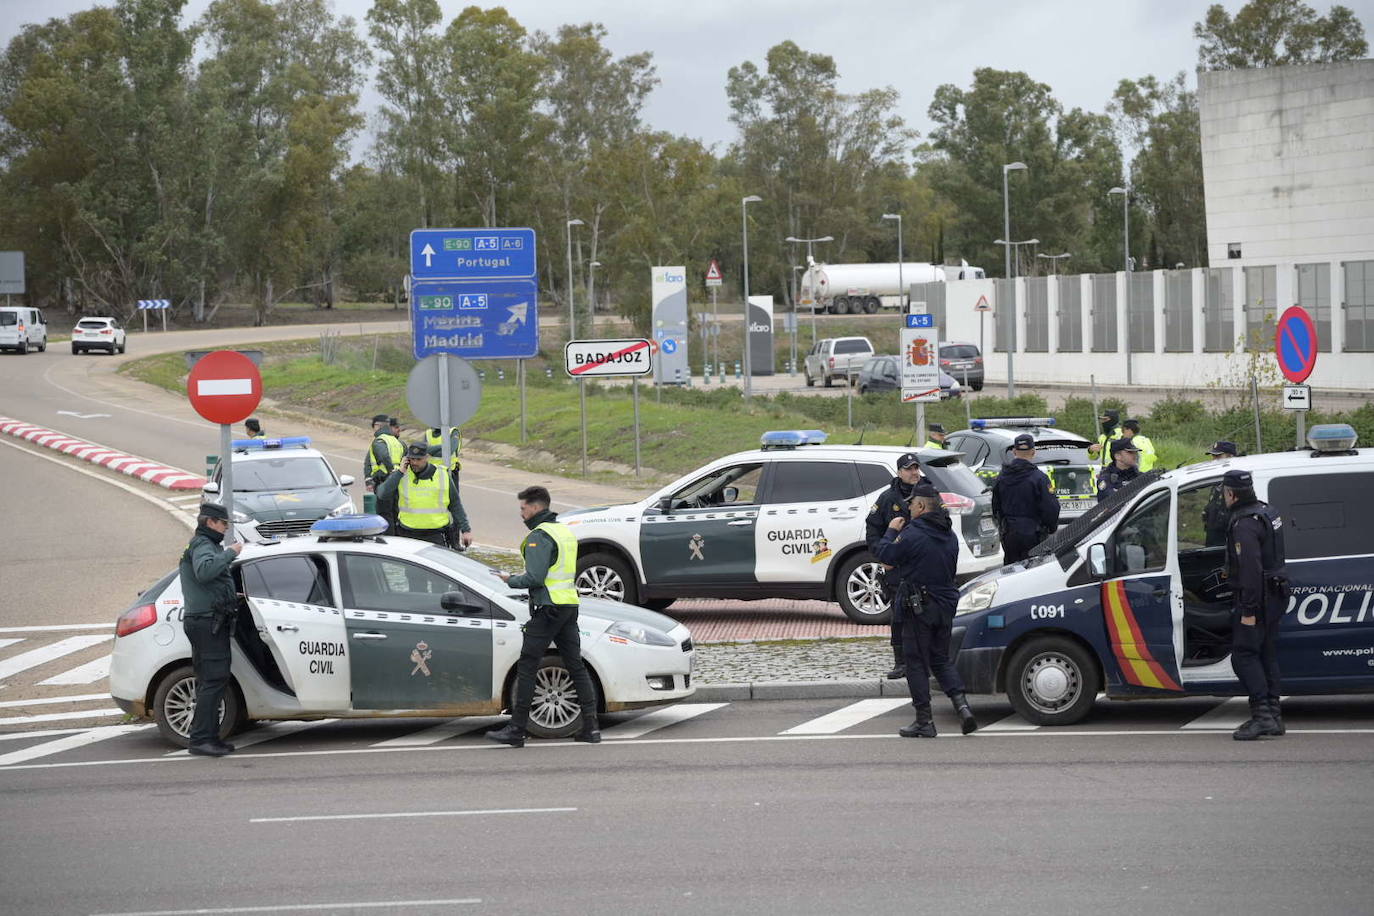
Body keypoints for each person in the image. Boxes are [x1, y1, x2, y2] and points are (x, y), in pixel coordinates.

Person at [488, 487, 600, 748]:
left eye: (523, 509)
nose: (521, 514)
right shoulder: (563, 532)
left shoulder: (540, 536)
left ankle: (516, 729)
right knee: (575, 665)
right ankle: (591, 727)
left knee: (527, 665)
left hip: (548, 608)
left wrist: (509, 579)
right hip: (568, 606)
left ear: (536, 508)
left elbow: (535, 578)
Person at [873, 483, 978, 738]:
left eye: (911, 504)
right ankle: (962, 708)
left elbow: (885, 555)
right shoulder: (949, 534)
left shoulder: (913, 534)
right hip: (945, 604)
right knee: (940, 659)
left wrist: (890, 531)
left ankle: (924, 720)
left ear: (921, 506)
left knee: (915, 663)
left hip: (919, 607)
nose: (908, 507)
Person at [1222, 469, 1289, 740]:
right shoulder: (1266, 511)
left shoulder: (1244, 523)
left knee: (1244, 655)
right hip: (1275, 592)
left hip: (1258, 597)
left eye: (1224, 493)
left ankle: (1261, 716)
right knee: (1266, 652)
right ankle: (1274, 716)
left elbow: (1250, 570)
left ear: (1231, 493)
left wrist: (1248, 610)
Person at [178, 503, 244, 757]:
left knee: (211, 680)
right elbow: (205, 572)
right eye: (223, 523)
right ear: (210, 522)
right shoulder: (203, 546)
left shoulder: (205, 545)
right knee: (213, 680)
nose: (226, 528)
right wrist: (231, 553)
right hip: (207, 623)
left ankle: (209, 737)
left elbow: (209, 582)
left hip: (208, 620)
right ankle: (201, 739)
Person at [865, 453, 922, 679]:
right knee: (899, 616)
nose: (914, 472)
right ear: (899, 472)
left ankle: (927, 660)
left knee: (925, 615)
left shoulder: (928, 494)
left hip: (921, 566)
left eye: (916, 468)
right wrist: (883, 556)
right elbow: (872, 531)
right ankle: (901, 662)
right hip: (896, 569)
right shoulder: (888, 498)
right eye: (909, 469)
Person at [376, 443, 472, 549]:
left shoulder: (442, 474)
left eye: (418, 459)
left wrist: (465, 530)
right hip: (408, 534)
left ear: (426, 458)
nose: (415, 463)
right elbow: (382, 494)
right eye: (412, 459)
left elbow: (455, 504)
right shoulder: (402, 475)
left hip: (435, 535)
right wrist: (400, 472)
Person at [991, 433, 1060, 563]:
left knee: (1010, 571)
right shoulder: (1039, 478)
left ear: (1014, 452)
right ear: (1033, 452)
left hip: (1009, 533)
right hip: (1033, 534)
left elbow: (996, 506)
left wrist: (1003, 526)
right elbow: (1051, 508)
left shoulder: (1002, 477)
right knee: (1033, 571)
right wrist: (1051, 528)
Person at [363, 414, 404, 531]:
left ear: (377, 426)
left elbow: (383, 456)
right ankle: (396, 537)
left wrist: (390, 471)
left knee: (384, 515)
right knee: (394, 512)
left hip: (384, 482)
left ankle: (389, 541)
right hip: (396, 481)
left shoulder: (380, 440)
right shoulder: (396, 441)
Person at [1202, 441, 1239, 547]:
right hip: (1213, 541)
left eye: (1218, 456)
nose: (1214, 460)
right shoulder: (1218, 479)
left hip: (1224, 544)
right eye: (1213, 456)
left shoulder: (1236, 483)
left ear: (1231, 457)